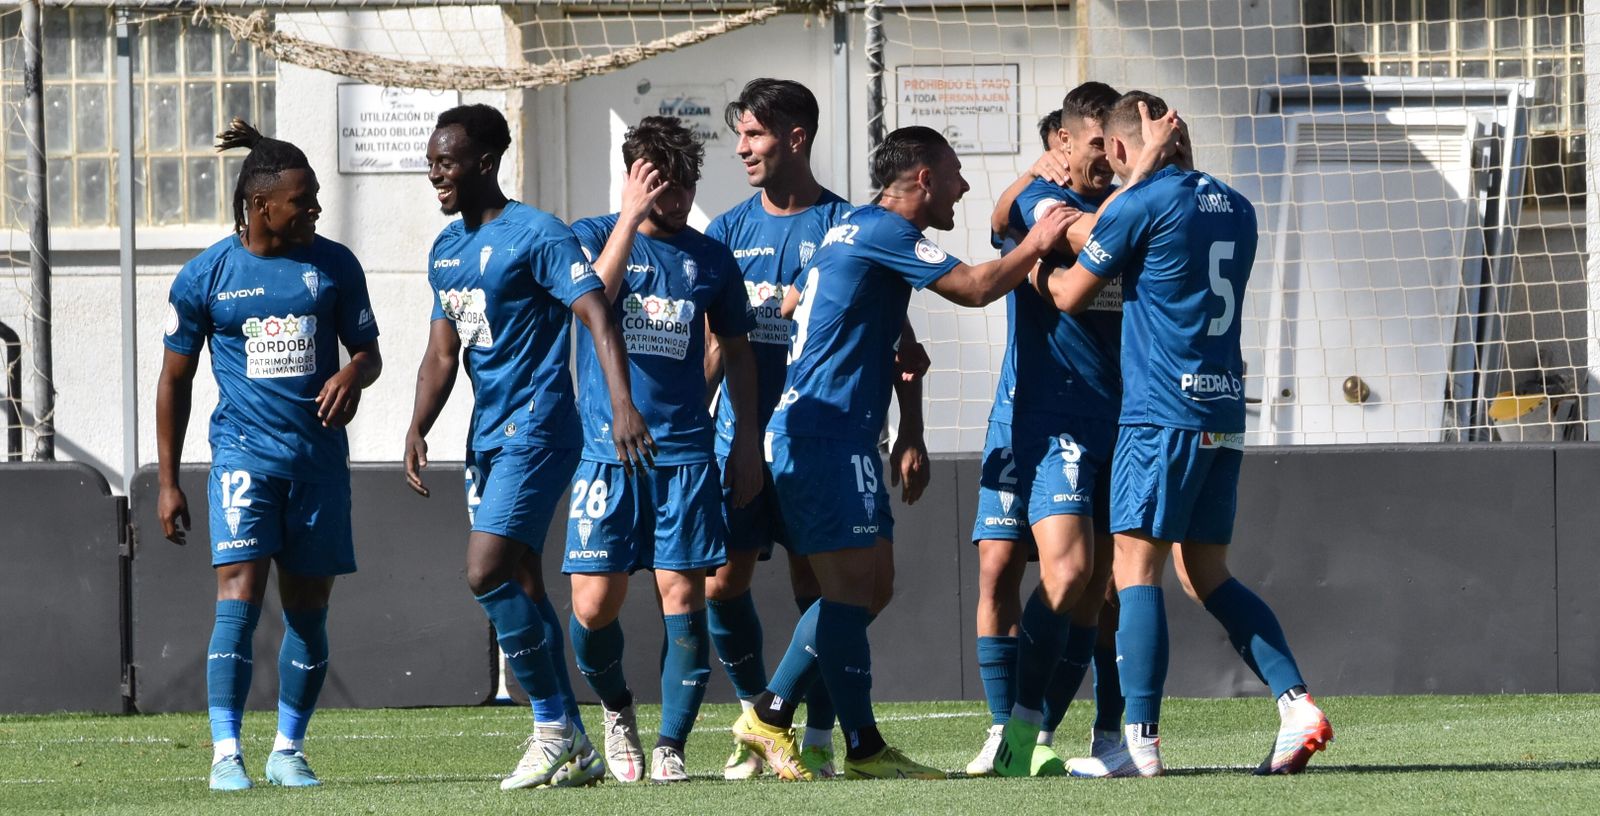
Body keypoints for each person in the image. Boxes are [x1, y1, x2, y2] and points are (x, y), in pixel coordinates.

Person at [731, 125, 1076, 781]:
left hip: (836, 432)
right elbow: (974, 287)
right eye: (954, 174)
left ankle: (849, 742)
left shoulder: (850, 232)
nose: (964, 187)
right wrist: (1035, 242)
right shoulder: (885, 230)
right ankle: (776, 719)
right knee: (853, 590)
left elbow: (808, 299)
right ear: (923, 179)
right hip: (820, 432)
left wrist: (906, 406)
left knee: (870, 587)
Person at [1041, 91, 1334, 777]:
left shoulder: (1142, 202)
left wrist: (1038, 263)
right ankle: (1296, 705)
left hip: (1159, 414)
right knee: (1206, 572)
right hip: (1224, 412)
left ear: (1120, 149)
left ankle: (1137, 741)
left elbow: (1068, 294)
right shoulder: (1238, 204)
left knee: (1134, 569)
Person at [402, 103, 654, 791]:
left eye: (446, 162)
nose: (436, 176)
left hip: (540, 426)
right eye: (430, 163)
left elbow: (596, 310)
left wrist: (624, 403)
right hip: (487, 436)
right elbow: (441, 352)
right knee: (520, 581)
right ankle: (571, 737)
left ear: (484, 162)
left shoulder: (537, 234)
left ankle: (552, 728)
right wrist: (418, 425)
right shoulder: (446, 251)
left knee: (484, 570)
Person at [156, 119, 382, 791]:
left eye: (314, 199)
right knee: (240, 598)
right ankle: (226, 752)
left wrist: (352, 374)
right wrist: (168, 482)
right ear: (260, 206)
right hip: (243, 459)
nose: (314, 209)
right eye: (303, 199)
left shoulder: (335, 265)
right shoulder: (206, 276)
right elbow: (174, 381)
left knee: (310, 609)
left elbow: (368, 352)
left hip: (317, 466)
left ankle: (289, 747)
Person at [562, 115, 763, 784]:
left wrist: (746, 447)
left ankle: (672, 744)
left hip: (686, 459)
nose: (676, 201)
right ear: (635, 179)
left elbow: (737, 353)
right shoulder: (593, 236)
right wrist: (627, 218)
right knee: (593, 608)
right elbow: (594, 302)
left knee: (684, 598)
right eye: (663, 186)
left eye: (686, 187)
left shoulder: (709, 258)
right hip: (605, 457)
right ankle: (618, 713)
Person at [969, 82, 1130, 779]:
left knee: (1098, 590)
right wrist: (1143, 202)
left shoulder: (1124, 197)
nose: (1110, 157)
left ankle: (1068, 730)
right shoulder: (1046, 199)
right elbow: (1028, 222)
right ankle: (1008, 724)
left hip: (1117, 416)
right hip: (1036, 414)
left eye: (1116, 146)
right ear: (1060, 145)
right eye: (1098, 145)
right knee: (1012, 567)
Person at [701, 78, 854, 780]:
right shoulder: (728, 231)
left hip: (816, 438)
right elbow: (708, 346)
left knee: (818, 587)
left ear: (795, 138)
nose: (742, 148)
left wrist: (907, 429)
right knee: (722, 585)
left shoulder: (845, 226)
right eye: (740, 135)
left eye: (755, 134)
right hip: (738, 438)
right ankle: (760, 720)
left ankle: (817, 732)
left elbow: (888, 339)